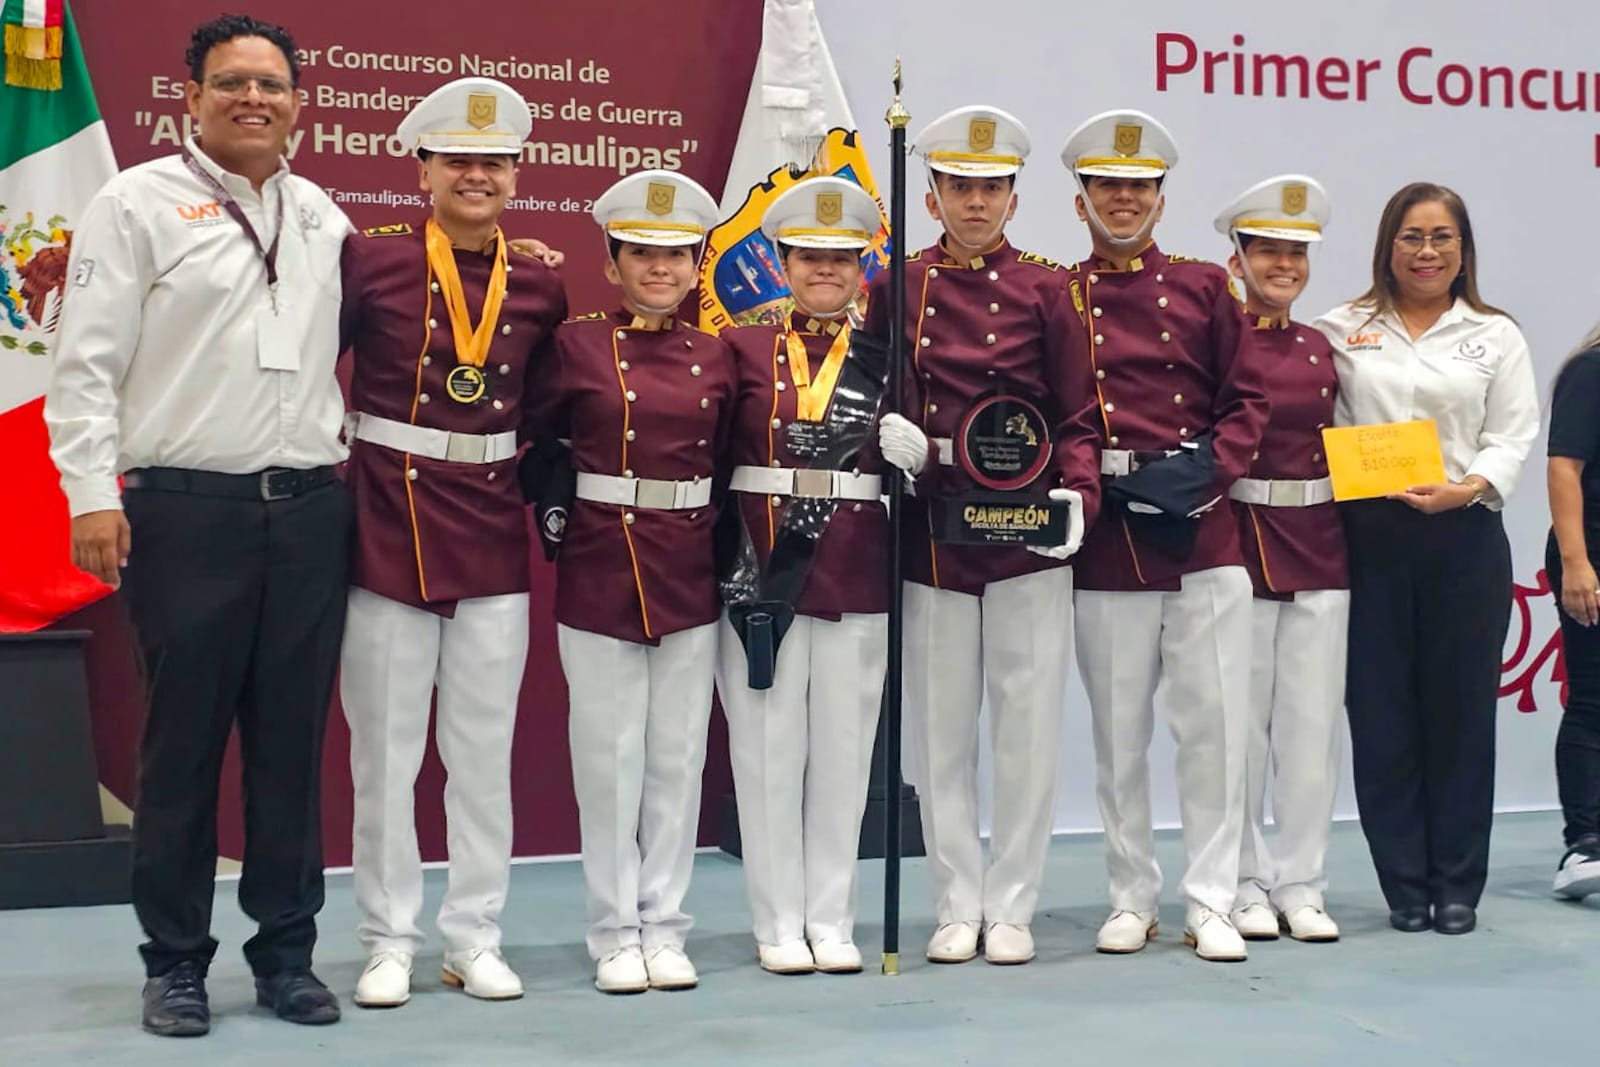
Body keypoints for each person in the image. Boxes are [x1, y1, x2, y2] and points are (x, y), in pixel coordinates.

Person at [45, 14, 347, 1036]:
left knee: (291, 749)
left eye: (271, 84)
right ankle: (174, 961)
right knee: (180, 750)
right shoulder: (133, 204)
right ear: (193, 98)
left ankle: (286, 955)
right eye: (231, 83)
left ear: (298, 104)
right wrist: (90, 491)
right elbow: (85, 361)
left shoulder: (322, 214)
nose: (252, 98)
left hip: (307, 513)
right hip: (185, 513)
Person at [336, 77, 566, 1008]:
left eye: (495, 162)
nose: (478, 175)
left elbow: (545, 410)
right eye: (459, 160)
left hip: (491, 527)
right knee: (386, 755)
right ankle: (388, 939)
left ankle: (474, 935)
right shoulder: (372, 261)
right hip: (385, 522)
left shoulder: (541, 281)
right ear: (422, 168)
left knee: (481, 751)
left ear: (516, 176)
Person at [867, 105, 1102, 967]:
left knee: (1026, 732)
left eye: (991, 187)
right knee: (941, 736)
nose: (976, 202)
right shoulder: (897, 286)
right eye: (959, 187)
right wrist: (890, 444)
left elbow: (1078, 414)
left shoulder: (1049, 289)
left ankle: (1012, 904)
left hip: (1028, 537)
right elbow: (869, 396)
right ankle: (954, 901)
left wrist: (1078, 496)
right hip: (936, 536)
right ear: (930, 196)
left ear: (1013, 198)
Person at [1059, 109, 1268, 962]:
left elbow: (1247, 401)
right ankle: (1131, 894)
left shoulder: (1205, 287)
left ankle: (1211, 898)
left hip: (1203, 534)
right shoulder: (1061, 295)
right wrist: (1084, 486)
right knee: (1119, 737)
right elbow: (1063, 414)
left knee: (1214, 731)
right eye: (1107, 186)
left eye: (1139, 187)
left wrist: (1205, 473)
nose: (1124, 199)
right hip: (1110, 537)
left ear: (1160, 198)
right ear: (1080, 200)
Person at [1314, 182, 1538, 935]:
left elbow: (1512, 433)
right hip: (1367, 538)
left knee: (1461, 715)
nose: (1427, 251)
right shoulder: (1342, 328)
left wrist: (1467, 488)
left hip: (1463, 535)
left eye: (1442, 237)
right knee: (1380, 716)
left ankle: (1457, 886)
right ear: (1388, 246)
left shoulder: (1495, 335)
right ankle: (1404, 886)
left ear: (1463, 250)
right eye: (1412, 236)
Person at [536, 169, 734, 994]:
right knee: (608, 759)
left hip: (689, 564)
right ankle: (614, 929)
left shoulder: (719, 356)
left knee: (678, 758)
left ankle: (666, 925)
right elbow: (537, 439)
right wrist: (556, 515)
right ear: (611, 263)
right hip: (600, 564)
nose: (660, 267)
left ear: (695, 266)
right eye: (642, 252)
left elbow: (735, 462)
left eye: (677, 254)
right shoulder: (575, 345)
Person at [716, 176, 888, 976]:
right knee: (766, 756)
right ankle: (778, 920)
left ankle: (833, 916)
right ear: (782, 264)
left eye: (841, 258)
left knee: (845, 760)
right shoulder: (739, 349)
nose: (825, 269)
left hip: (857, 574)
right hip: (761, 576)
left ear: (861, 270)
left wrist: (914, 456)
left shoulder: (887, 359)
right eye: (809, 256)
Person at [1213, 176, 1345, 943]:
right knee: (1239, 731)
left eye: (1296, 252)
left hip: (1321, 546)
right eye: (1267, 249)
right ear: (1237, 258)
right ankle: (1243, 881)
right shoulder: (1216, 342)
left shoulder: (1325, 346)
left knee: (1310, 729)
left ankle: (1303, 882)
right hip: (1239, 541)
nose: (1283, 264)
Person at [1547, 325, 1600, 902]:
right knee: (1593, 699)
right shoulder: (1590, 369)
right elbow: (1564, 467)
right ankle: (1584, 844)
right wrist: (1575, 562)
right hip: (1594, 553)